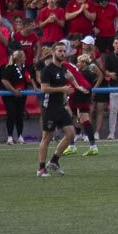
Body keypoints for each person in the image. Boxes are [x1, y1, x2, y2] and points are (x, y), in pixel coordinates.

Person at [37, 44, 76, 177]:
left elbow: (69, 77)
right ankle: (41, 168)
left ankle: (54, 161)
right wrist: (62, 89)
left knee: (71, 133)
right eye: (60, 51)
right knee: (47, 137)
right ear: (53, 52)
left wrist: (77, 86)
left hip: (61, 106)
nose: (62, 53)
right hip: (50, 108)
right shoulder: (47, 70)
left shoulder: (63, 68)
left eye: (64, 51)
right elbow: (44, 89)